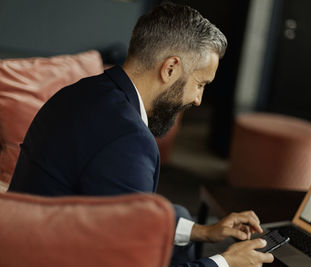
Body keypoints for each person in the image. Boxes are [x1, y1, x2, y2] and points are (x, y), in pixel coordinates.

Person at [8, 3, 274, 267]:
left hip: (27, 243)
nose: (197, 100)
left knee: (183, 229)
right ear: (170, 69)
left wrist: (203, 231)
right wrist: (225, 262)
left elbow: (111, 202)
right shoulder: (128, 140)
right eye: (200, 84)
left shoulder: (81, 92)